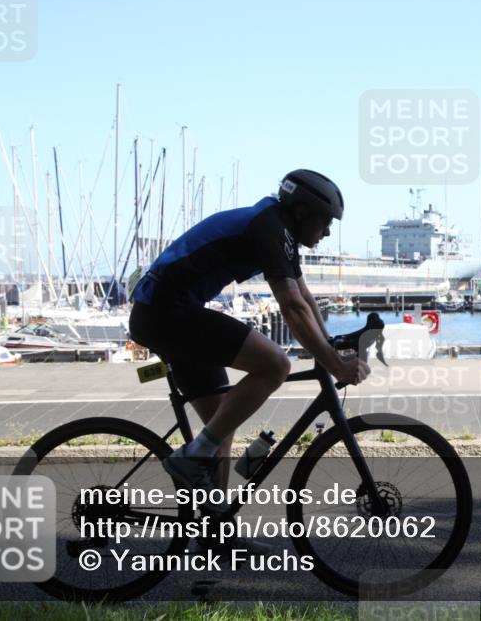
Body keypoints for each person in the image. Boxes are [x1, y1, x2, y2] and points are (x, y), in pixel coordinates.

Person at [128, 169, 370, 518]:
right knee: (275, 364)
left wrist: (330, 344)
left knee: (221, 424)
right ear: (301, 212)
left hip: (170, 313)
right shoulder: (267, 228)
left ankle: (216, 534)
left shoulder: (280, 230)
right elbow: (291, 306)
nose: (328, 231)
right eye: (325, 222)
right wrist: (334, 363)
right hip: (165, 313)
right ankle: (190, 459)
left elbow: (303, 296)